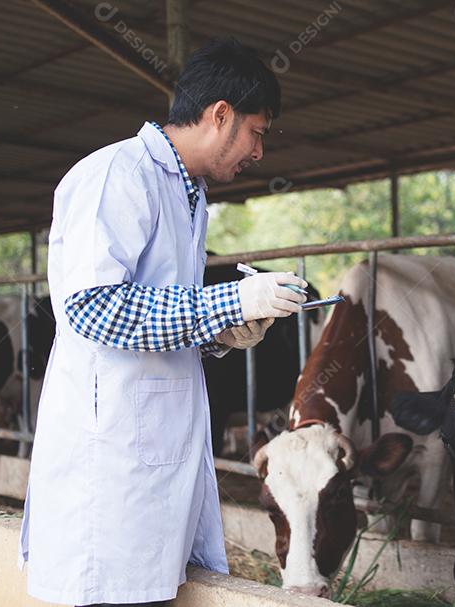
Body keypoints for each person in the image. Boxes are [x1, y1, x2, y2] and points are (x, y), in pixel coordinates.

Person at [17, 38, 303, 607]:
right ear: (221, 115)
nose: (259, 152)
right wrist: (226, 303)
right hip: (111, 473)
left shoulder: (189, 193)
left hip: (153, 469)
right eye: (258, 131)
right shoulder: (115, 174)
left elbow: (160, 315)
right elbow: (94, 308)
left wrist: (220, 333)